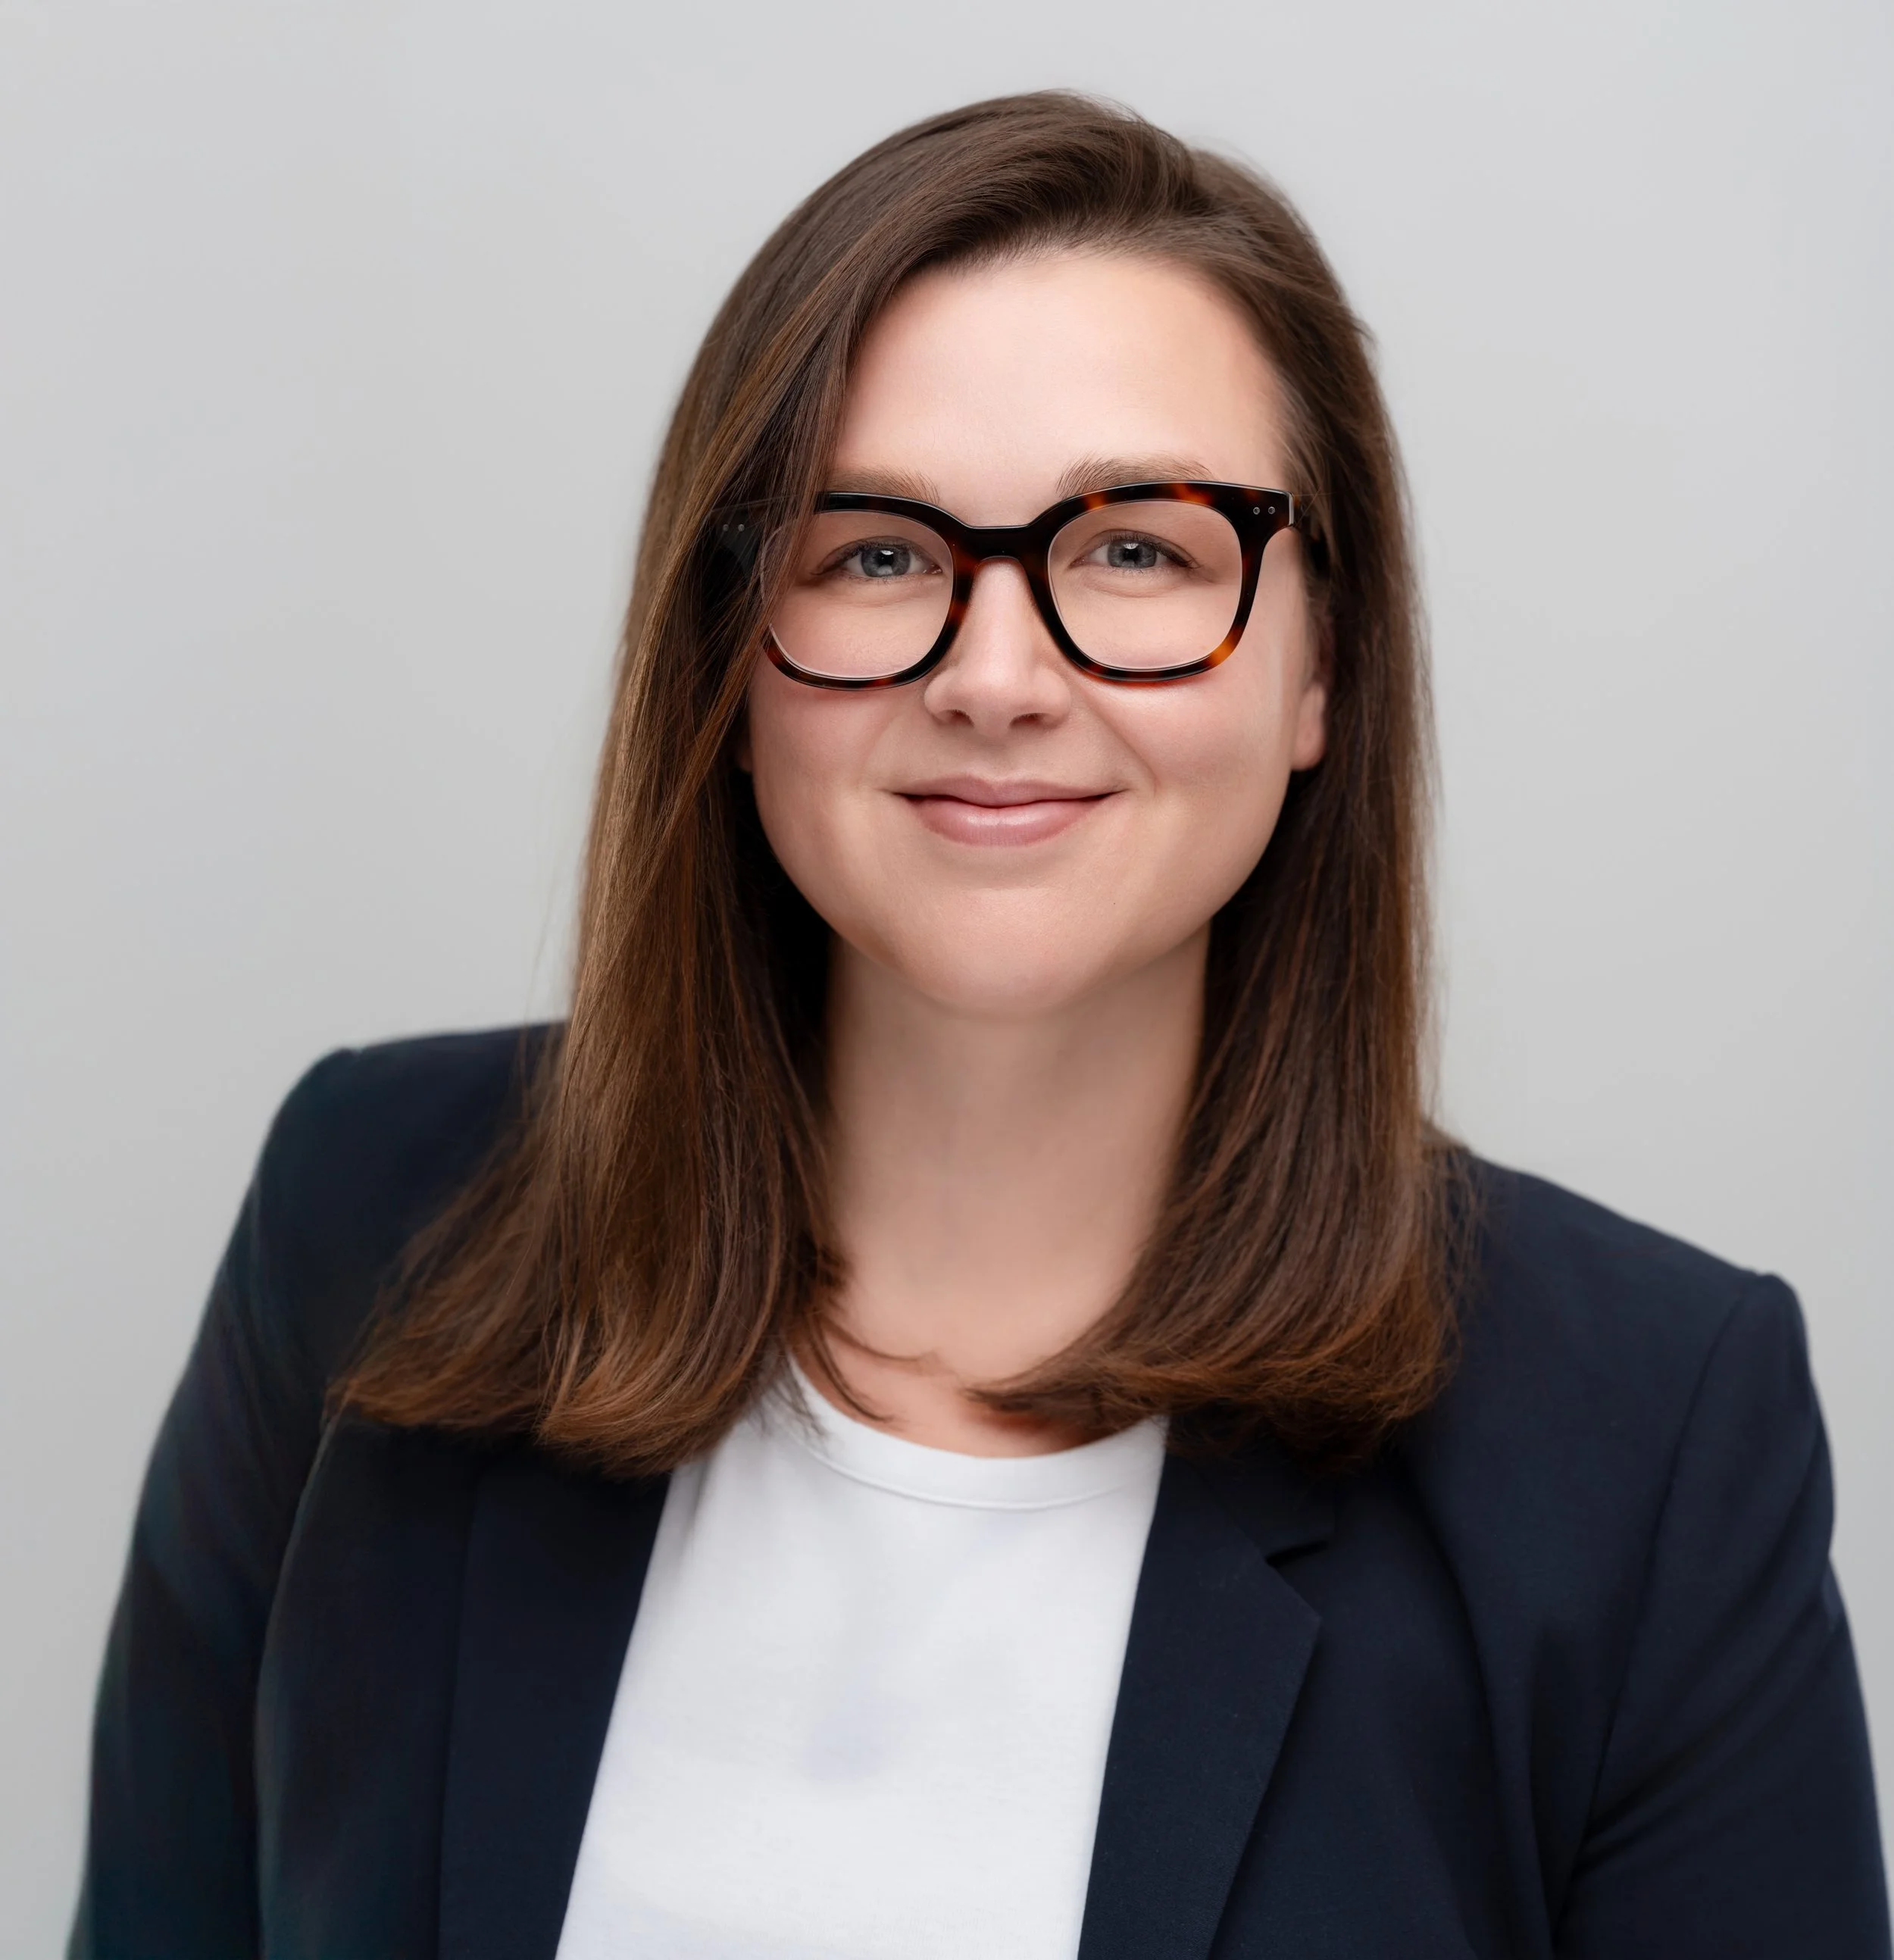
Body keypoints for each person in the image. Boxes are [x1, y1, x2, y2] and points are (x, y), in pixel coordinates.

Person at [70, 92, 1887, 1960]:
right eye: (872, 553)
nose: (994, 677)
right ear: (727, 654)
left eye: (1136, 553)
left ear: (1319, 666)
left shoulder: (1648, 1441)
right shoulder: (366, 1224)